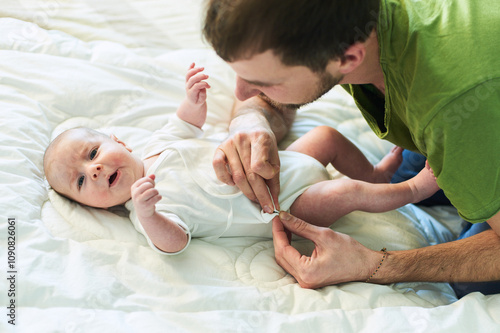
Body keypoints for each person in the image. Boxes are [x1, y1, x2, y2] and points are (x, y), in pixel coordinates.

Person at [202, 0, 500, 296]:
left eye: (264, 82)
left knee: (471, 283)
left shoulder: (451, 109)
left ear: (348, 59)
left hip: (472, 111)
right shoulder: (345, 26)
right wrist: (250, 119)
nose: (239, 92)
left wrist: (373, 265)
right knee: (398, 183)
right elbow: (268, 95)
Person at [43, 64, 439, 255]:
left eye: (93, 153)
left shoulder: (154, 146)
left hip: (282, 164)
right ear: (90, 206)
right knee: (347, 192)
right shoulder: (143, 213)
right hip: (285, 208)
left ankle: (378, 172)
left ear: (118, 141)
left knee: (326, 137)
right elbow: (174, 243)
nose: (93, 169)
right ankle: (413, 188)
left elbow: (186, 123)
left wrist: (192, 100)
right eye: (81, 182)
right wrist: (149, 216)